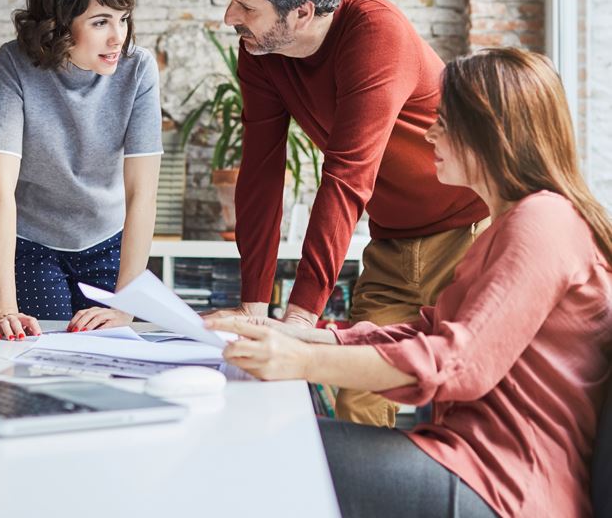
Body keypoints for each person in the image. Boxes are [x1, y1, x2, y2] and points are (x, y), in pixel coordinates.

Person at [206, 47, 612, 517]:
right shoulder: (512, 223)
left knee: (265, 446)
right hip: (470, 461)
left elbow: (456, 362)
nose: (429, 131)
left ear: (490, 131)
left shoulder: (543, 222)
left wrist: (302, 361)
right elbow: (426, 332)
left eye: (445, 119)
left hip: (505, 484)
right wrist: (304, 335)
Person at [203, 0, 489, 427]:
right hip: (393, 247)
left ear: (303, 11)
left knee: (468, 398)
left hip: (469, 237)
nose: (231, 18)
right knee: (358, 403)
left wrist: (296, 322)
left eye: (247, 7)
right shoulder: (262, 53)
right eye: (234, 1)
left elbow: (347, 176)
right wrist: (253, 308)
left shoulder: (375, 31)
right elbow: (262, 174)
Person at [0, 0, 163, 340]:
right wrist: (2, 308)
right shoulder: (15, 63)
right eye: (101, 22)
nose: (119, 37)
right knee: (40, 352)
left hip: (109, 240)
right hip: (35, 245)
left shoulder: (139, 68)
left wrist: (126, 304)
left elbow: (142, 193)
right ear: (60, 24)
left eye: (123, 19)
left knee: (110, 352)